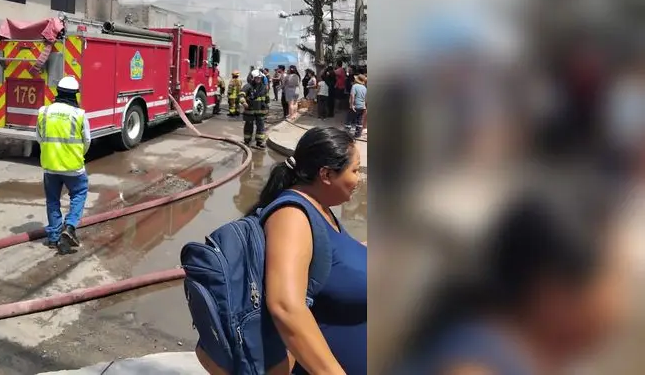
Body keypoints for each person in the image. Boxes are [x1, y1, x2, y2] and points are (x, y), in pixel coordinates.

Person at [390, 184, 628, 375]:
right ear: (551, 293)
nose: (622, 297)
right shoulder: (472, 365)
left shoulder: (532, 349)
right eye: (614, 275)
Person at [247, 127, 365, 375]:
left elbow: (334, 257)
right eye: (355, 170)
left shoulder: (319, 207)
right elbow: (285, 306)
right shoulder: (292, 216)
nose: (359, 179)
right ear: (326, 174)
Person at [35, 76, 91, 254]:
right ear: (75, 95)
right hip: (73, 166)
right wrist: (78, 154)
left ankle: (53, 238)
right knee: (79, 193)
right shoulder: (79, 114)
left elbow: (39, 137)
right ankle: (70, 226)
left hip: (50, 166)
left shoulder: (43, 112)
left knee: (52, 200)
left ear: (57, 92)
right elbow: (87, 140)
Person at [241, 68, 269, 149]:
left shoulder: (263, 87)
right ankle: (247, 141)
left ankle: (259, 142)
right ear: (253, 78)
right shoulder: (248, 86)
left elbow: (266, 99)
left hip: (261, 111)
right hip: (250, 111)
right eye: (257, 78)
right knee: (248, 126)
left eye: (259, 78)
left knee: (261, 126)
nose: (258, 79)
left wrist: (267, 109)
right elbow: (241, 95)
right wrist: (244, 102)